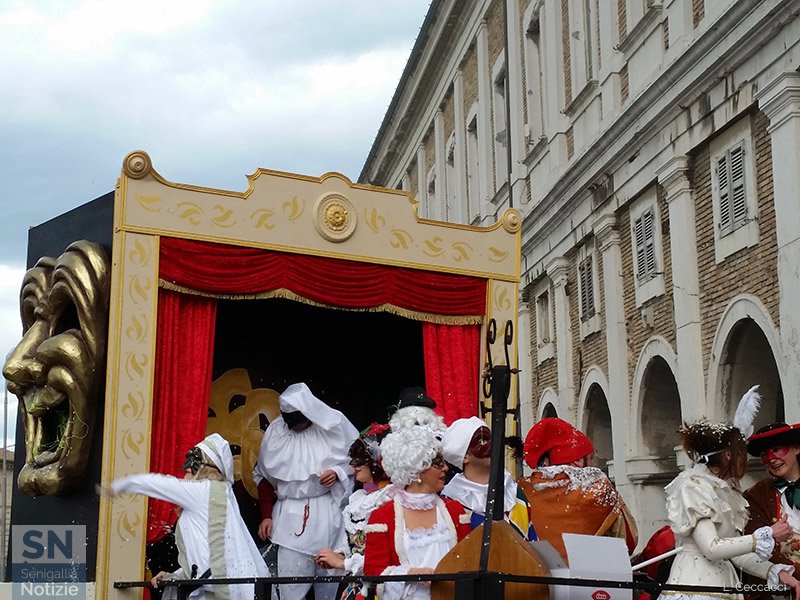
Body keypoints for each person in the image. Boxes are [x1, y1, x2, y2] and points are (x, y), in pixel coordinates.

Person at [108, 433, 269, 600]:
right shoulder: (213, 495)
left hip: (216, 592)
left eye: (194, 464)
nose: (186, 470)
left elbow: (159, 484)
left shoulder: (203, 491)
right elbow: (207, 554)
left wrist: (122, 484)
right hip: (213, 589)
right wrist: (175, 576)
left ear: (207, 468)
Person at [662, 420, 800, 600]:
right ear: (728, 455)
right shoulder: (694, 486)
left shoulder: (724, 489)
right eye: (740, 453)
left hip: (725, 587)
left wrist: (774, 571)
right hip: (696, 589)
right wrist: (766, 536)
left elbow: (736, 552)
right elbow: (711, 548)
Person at [253, 382, 359, 600]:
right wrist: (265, 515)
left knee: (330, 582)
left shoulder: (334, 424)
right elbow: (263, 475)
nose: (294, 426)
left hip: (327, 514)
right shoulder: (276, 432)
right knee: (289, 586)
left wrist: (338, 471)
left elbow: (359, 462)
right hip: (288, 517)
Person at [364, 424, 471, 600]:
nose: (445, 468)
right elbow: (374, 573)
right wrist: (412, 574)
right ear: (416, 470)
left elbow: (469, 561)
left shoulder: (454, 510)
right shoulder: (382, 516)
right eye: (437, 463)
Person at [516, 417, 637, 562]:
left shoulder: (518, 491)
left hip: (534, 580)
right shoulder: (598, 488)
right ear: (578, 461)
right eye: (591, 458)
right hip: (588, 580)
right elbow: (629, 541)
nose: (593, 463)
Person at [315, 423, 394, 600]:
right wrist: (339, 555)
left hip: (382, 588)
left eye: (360, 460)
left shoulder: (391, 498)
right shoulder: (358, 498)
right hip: (354, 586)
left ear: (378, 462)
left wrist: (343, 562)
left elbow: (385, 556)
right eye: (353, 459)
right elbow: (352, 545)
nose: (354, 465)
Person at [441, 416, 536, 540]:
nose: (492, 446)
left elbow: (532, 543)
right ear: (464, 457)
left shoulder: (514, 491)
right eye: (482, 441)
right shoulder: (450, 503)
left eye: (491, 439)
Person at [743, 422, 800, 595]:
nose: (771, 459)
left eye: (776, 449)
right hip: (785, 588)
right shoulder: (755, 497)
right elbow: (758, 549)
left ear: (796, 448)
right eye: (764, 454)